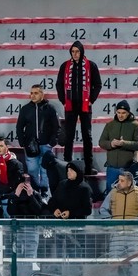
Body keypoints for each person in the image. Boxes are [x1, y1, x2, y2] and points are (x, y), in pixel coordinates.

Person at [57, 41, 102, 176]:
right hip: (70, 106)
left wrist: (91, 100)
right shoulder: (65, 66)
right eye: (73, 51)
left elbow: (98, 84)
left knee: (87, 136)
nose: (75, 54)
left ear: (82, 52)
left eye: (77, 51)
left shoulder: (91, 66)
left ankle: (88, 166)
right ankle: (67, 165)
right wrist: (63, 101)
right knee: (69, 135)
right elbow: (59, 84)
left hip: (85, 105)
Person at [16, 85, 60, 195]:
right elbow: (19, 126)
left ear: (42, 94)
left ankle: (45, 192)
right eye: (31, 93)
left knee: (45, 171)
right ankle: (35, 191)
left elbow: (56, 126)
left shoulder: (50, 108)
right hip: (31, 146)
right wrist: (23, 142)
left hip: (46, 145)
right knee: (32, 170)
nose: (33, 95)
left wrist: (52, 142)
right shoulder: (25, 109)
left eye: (36, 93)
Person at [98, 100, 138, 193]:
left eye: (123, 113)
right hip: (112, 167)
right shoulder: (110, 125)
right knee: (111, 194)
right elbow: (101, 142)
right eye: (118, 112)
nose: (120, 115)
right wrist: (111, 144)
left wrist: (124, 143)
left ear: (128, 113)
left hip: (128, 168)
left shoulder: (136, 125)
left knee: (128, 193)